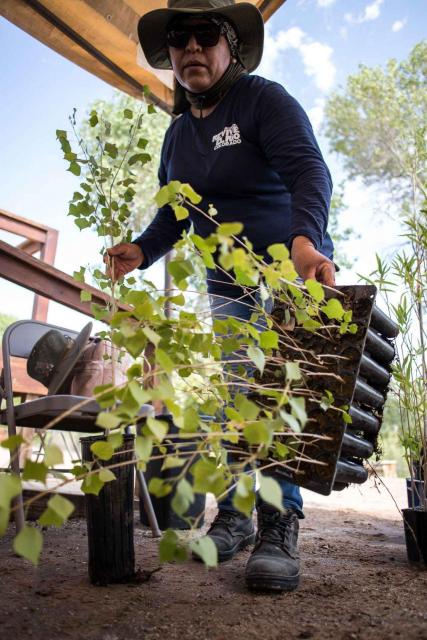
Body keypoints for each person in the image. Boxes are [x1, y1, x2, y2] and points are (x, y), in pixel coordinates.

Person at [105, 0, 335, 592]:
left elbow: (310, 171)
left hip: (288, 272)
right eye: (180, 41)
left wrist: (307, 243)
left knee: (275, 395)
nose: (191, 49)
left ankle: (279, 524)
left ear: (231, 48)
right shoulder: (178, 134)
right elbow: (176, 212)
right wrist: (142, 249)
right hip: (226, 281)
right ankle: (234, 516)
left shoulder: (264, 100)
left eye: (206, 36)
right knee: (237, 395)